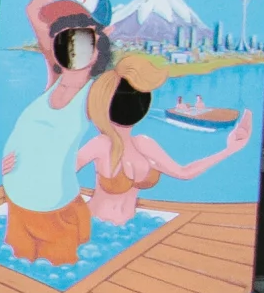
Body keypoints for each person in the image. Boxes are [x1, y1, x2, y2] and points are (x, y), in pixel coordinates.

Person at [0, 0, 110, 265]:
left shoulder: (96, 89)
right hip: (18, 204)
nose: (68, 34)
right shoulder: (55, 72)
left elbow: (119, 131)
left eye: (80, 27)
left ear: (99, 38)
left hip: (56, 211)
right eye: (65, 26)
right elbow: (34, 10)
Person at [77, 50, 250, 225]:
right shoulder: (101, 144)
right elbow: (59, 173)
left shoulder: (144, 144)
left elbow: (184, 173)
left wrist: (229, 150)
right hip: (95, 226)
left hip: (131, 227)